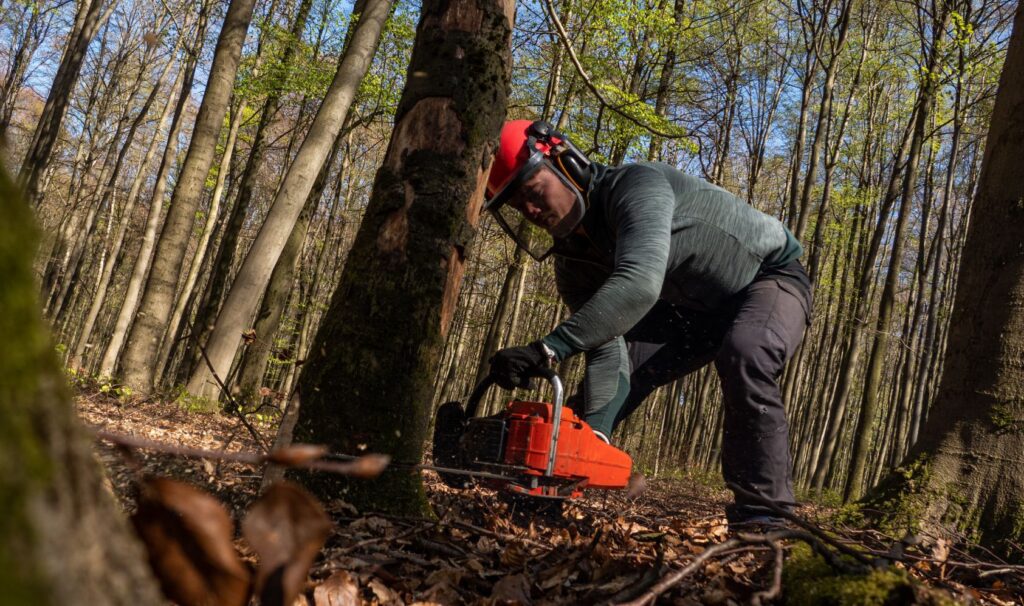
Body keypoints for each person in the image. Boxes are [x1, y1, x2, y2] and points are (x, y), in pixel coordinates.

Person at [484, 120, 812, 526]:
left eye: (533, 192)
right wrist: (597, 432)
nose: (531, 212)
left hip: (768, 277)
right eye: (518, 207)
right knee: (610, 384)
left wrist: (548, 349)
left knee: (746, 353)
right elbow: (606, 343)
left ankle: (765, 517)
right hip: (691, 312)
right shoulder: (573, 264)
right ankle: (548, 490)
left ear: (567, 163)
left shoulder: (637, 185)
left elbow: (639, 284)